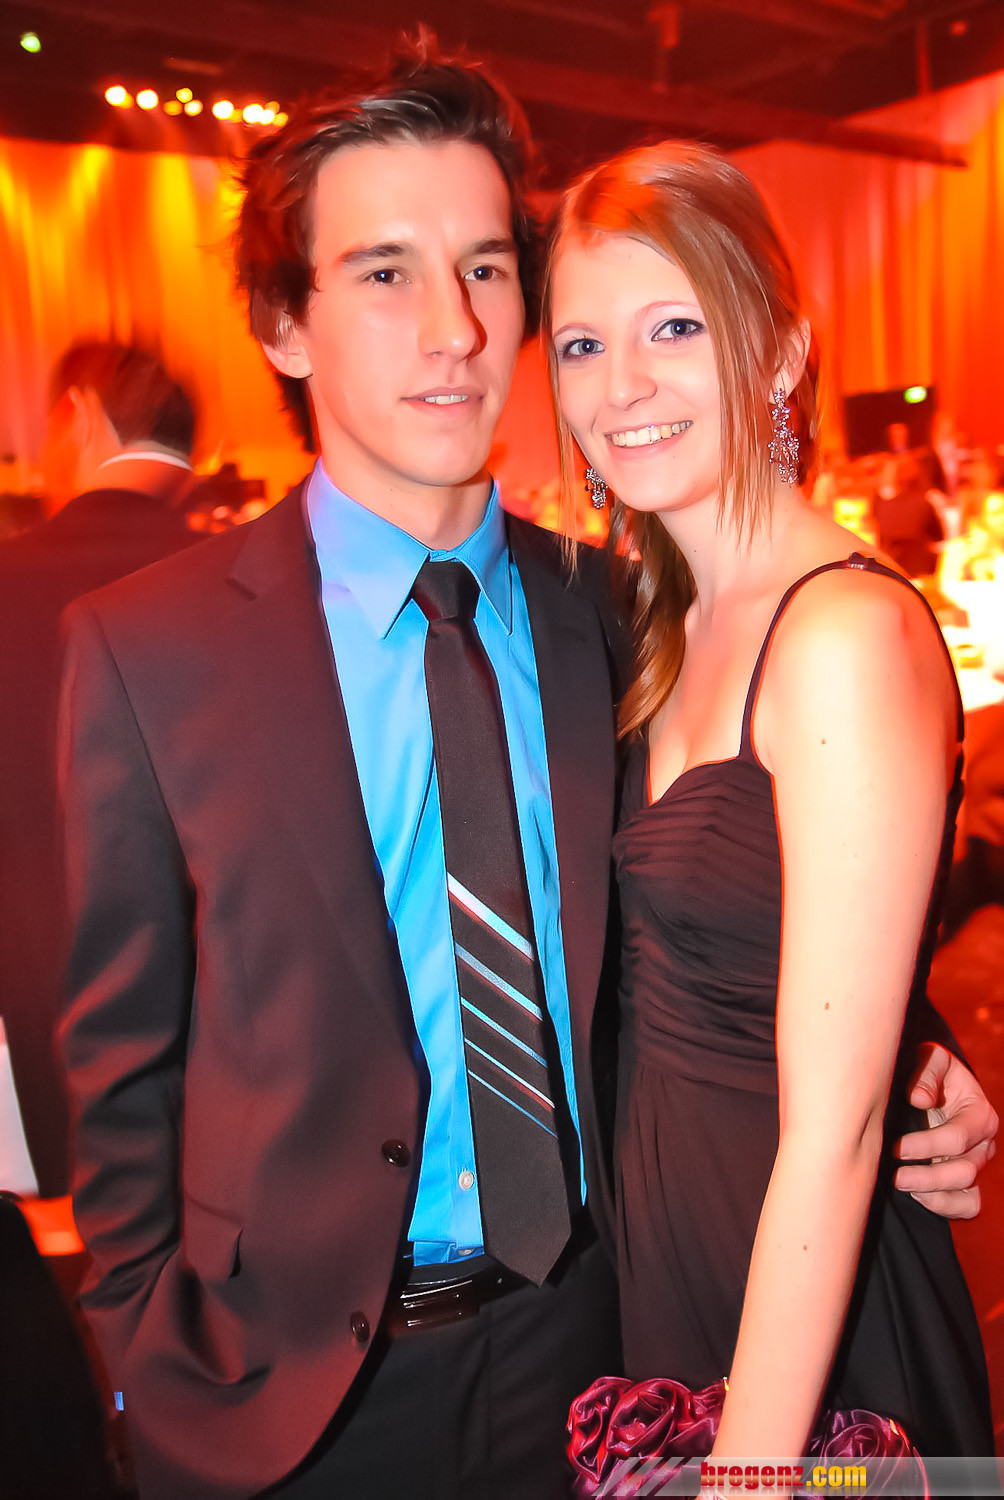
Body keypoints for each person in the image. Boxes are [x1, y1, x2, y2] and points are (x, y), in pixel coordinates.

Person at [57, 48, 994, 1500]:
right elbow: (119, 1072)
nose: (453, 328)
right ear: (284, 325)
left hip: (606, 1341)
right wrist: (146, 1375)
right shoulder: (150, 650)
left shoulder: (611, 615)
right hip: (291, 1404)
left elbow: (728, 906)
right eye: (384, 272)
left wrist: (916, 1059)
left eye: (487, 270)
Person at [545, 140, 994, 1459]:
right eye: (581, 345)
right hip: (677, 1294)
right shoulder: (652, 627)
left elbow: (837, 1129)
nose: (622, 384)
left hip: (815, 1352)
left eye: (674, 326)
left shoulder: (841, 636)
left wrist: (751, 1473)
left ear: (780, 351)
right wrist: (917, 1044)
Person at [0, 341, 200, 1205]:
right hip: (248, 1051)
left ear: (78, 415)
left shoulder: (9, 584)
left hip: (51, 1021)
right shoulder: (263, 578)